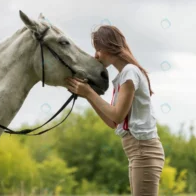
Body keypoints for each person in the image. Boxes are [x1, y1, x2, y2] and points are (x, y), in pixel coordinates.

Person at [65, 25, 165, 196]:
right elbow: (112, 122)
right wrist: (89, 96)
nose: (95, 55)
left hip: (144, 151)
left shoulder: (129, 73)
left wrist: (89, 92)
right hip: (137, 152)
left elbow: (117, 115)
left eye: (98, 49)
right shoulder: (124, 76)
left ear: (109, 46)